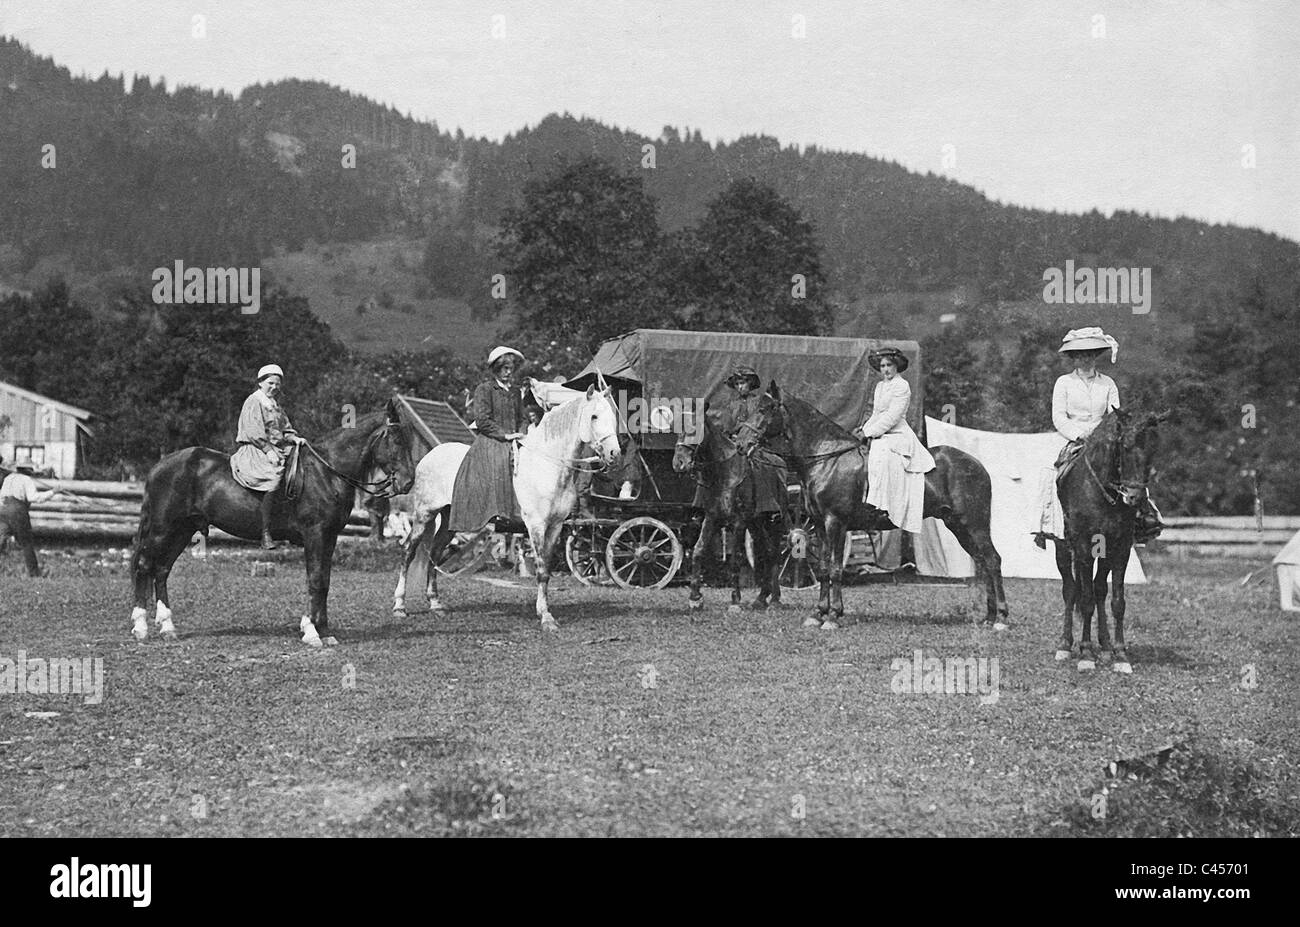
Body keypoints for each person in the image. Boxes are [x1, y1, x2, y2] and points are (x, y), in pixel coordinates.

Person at [1035, 327, 1164, 546]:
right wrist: (1079, 434)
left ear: (1096, 356)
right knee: (1052, 470)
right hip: (1072, 436)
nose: (1085, 358)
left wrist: (1103, 434)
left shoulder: (1108, 383)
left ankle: (1143, 515)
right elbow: (1058, 416)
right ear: (1074, 357)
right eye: (1080, 354)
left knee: (1131, 462)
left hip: (1105, 437)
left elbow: (1116, 416)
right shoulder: (1064, 382)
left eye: (1090, 353)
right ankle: (1050, 524)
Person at [450, 346, 536, 531]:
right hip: (492, 439)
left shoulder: (514, 391)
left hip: (516, 438)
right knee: (499, 461)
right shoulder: (485, 389)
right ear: (496, 369)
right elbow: (482, 420)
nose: (508, 373)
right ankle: (500, 512)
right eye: (504, 369)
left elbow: (522, 417)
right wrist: (505, 435)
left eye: (510, 369)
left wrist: (521, 432)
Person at [855, 348, 935, 534]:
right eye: (882, 366)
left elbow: (893, 416)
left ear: (896, 366)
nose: (885, 369)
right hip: (880, 431)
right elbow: (877, 414)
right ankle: (869, 499)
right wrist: (864, 429)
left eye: (889, 365)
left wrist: (869, 432)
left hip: (897, 433)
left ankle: (884, 506)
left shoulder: (902, 386)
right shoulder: (880, 387)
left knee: (883, 455)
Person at [230, 364, 305, 549]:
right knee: (273, 477)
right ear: (261, 382)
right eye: (270, 383)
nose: (274, 387)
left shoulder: (275, 405)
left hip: (277, 448)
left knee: (301, 467)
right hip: (256, 449)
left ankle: (293, 524)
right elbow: (254, 430)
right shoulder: (254, 401)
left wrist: (294, 437)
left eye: (277, 384)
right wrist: (268, 450)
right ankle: (265, 532)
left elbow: (285, 428)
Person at [722, 364, 787, 524]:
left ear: (750, 383)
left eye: (743, 383)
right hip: (735, 445)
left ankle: (769, 505)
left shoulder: (759, 402)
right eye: (737, 384)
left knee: (760, 464)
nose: (740, 387)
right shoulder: (731, 405)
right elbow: (726, 429)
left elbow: (765, 424)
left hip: (756, 444)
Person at [0, 460, 58, 576]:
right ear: (28, 470)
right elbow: (34, 497)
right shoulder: (27, 480)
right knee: (26, 543)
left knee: (0, 540)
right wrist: (53, 492)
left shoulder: (8, 478)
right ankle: (34, 572)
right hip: (18, 511)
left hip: (3, 510)